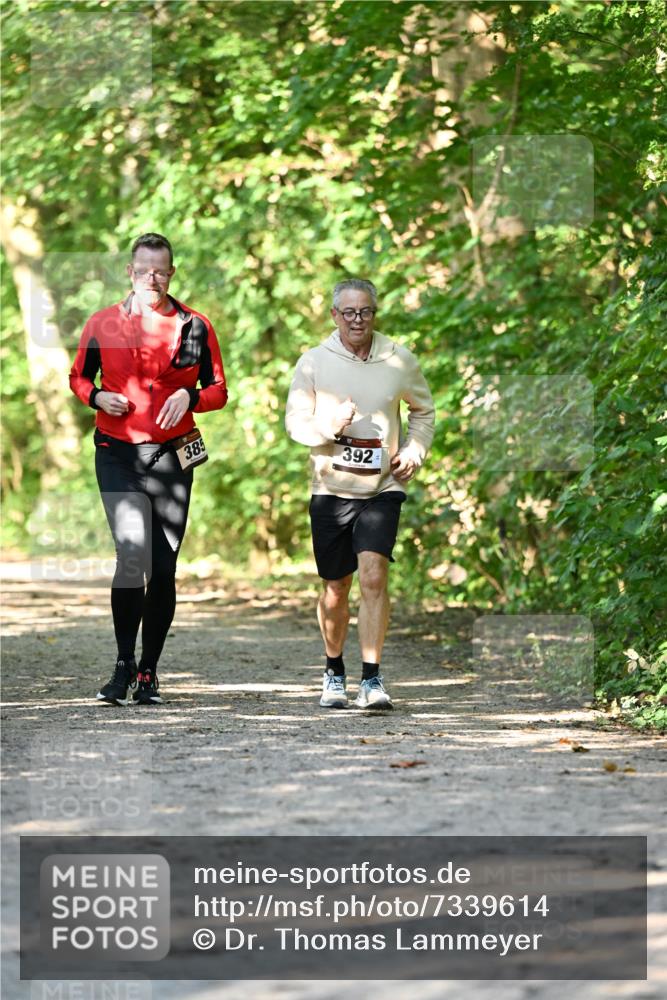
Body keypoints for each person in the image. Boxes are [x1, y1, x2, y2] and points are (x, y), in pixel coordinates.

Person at [69, 233, 227, 706]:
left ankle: (149, 672)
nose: (151, 279)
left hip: (173, 457)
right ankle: (122, 665)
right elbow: (78, 376)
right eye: (143, 270)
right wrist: (96, 397)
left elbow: (219, 389)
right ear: (130, 272)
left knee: (163, 566)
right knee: (131, 556)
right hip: (117, 453)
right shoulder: (102, 324)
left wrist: (190, 396)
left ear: (172, 273)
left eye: (160, 270)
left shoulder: (196, 326)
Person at [285, 278, 434, 710]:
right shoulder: (313, 363)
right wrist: (330, 425)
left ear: (374, 313)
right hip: (331, 487)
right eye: (348, 312)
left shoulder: (398, 359)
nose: (357, 320)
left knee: (374, 576)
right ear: (334, 316)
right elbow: (296, 424)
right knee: (336, 586)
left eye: (364, 311)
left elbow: (423, 411)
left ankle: (372, 678)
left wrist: (414, 450)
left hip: (382, 487)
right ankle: (334, 670)